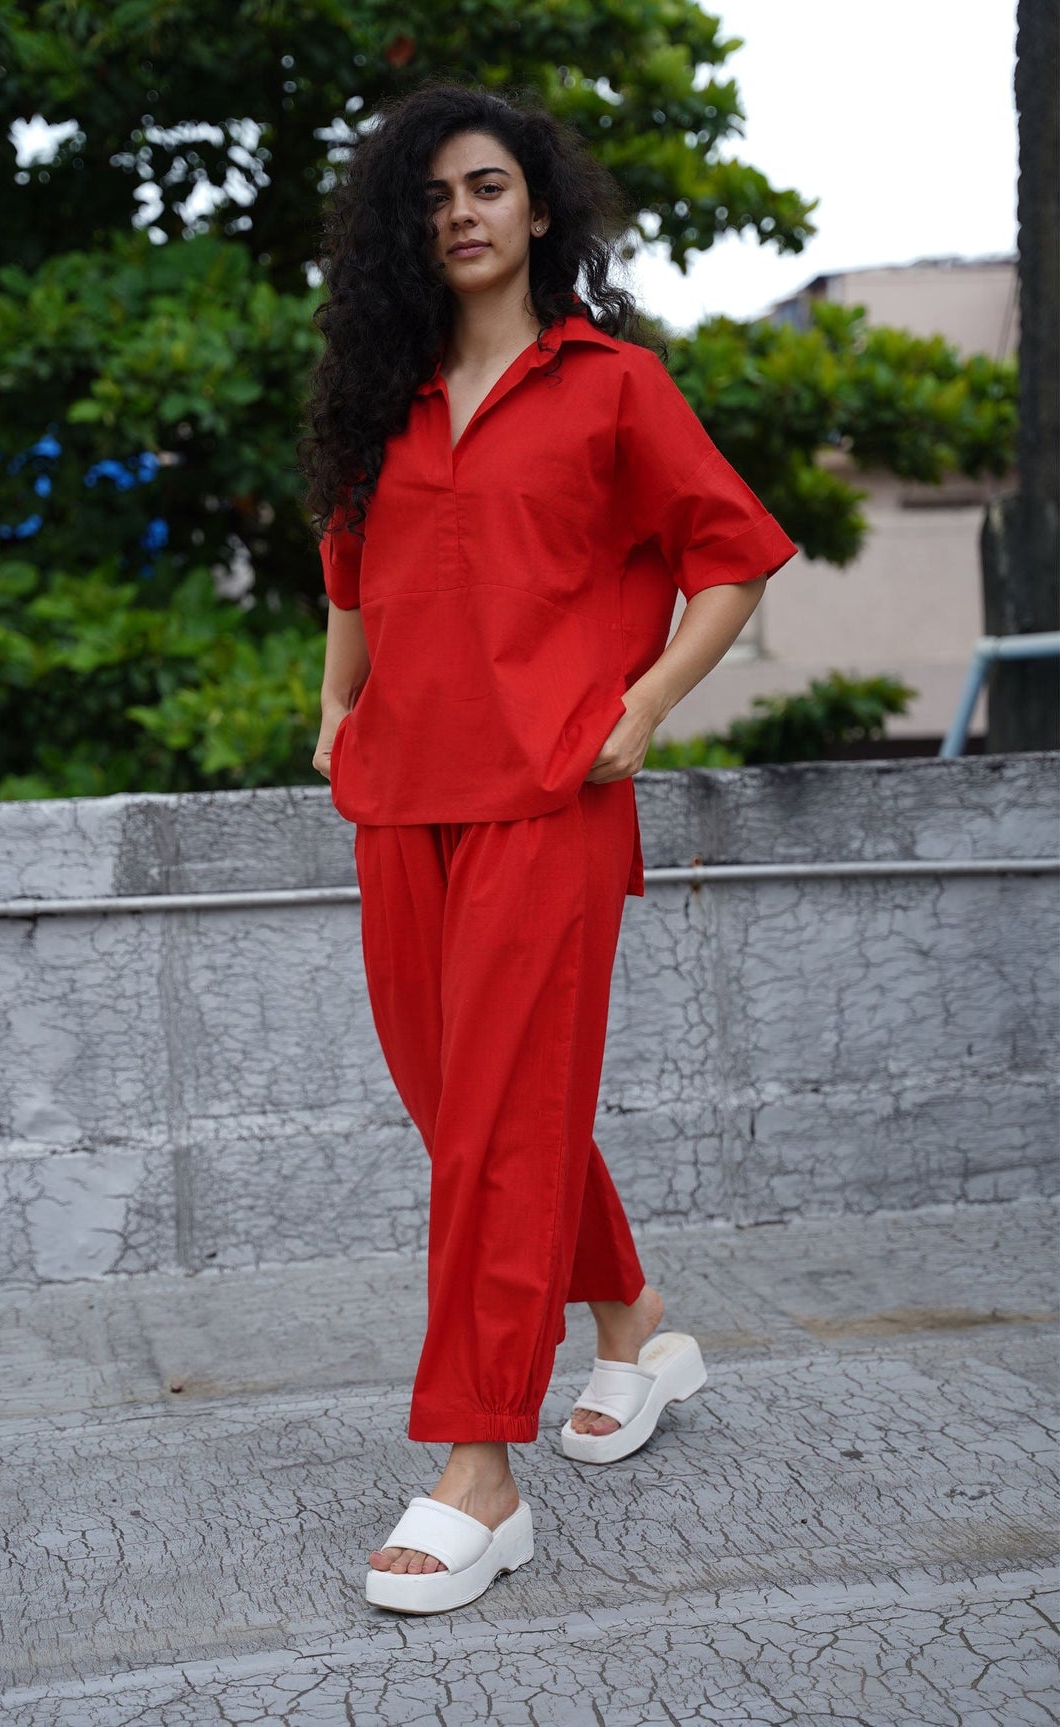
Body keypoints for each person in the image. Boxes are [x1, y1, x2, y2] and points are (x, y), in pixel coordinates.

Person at [300, 78, 798, 1614]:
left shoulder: (612, 387)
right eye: (432, 195)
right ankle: (633, 1319)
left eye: (487, 186)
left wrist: (643, 705)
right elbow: (350, 576)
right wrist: (333, 709)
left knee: (500, 1129)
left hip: (548, 798)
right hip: (402, 797)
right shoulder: (380, 401)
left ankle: (478, 1469)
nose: (460, 214)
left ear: (537, 207)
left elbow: (735, 558)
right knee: (463, 1109)